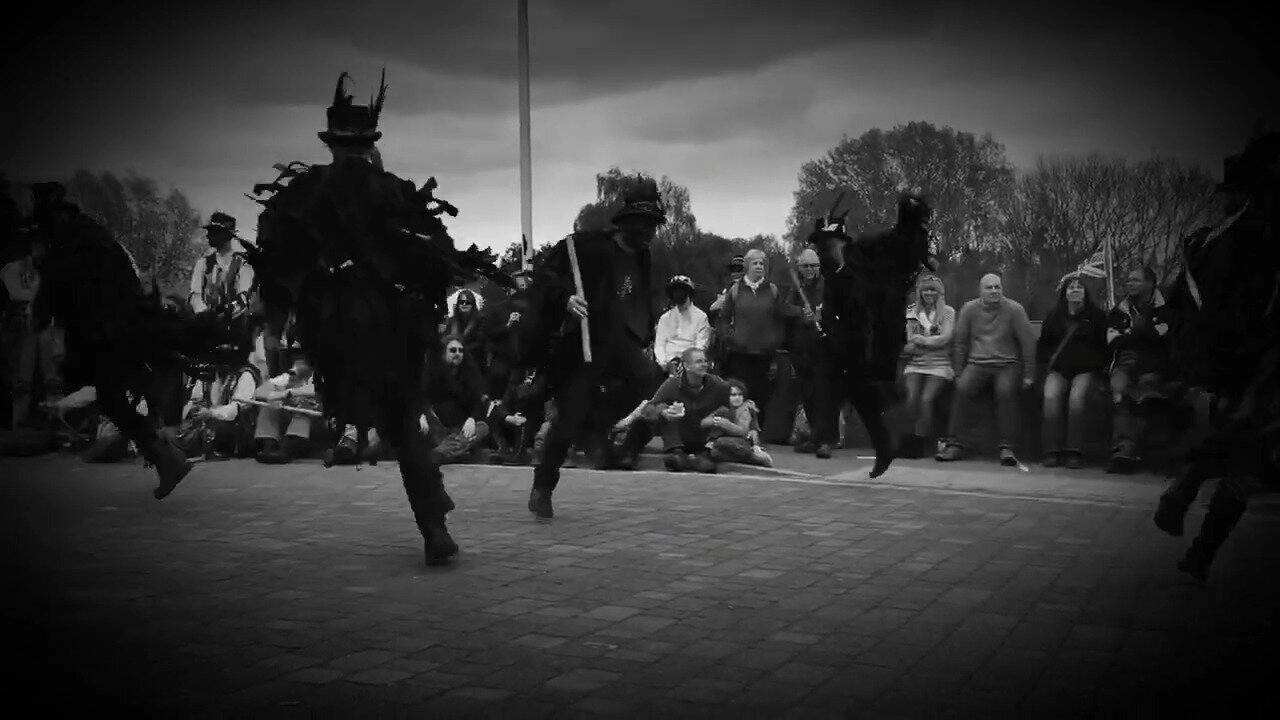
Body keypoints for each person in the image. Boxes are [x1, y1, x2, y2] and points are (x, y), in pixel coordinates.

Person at [248, 70, 511, 564]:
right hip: (392, 325)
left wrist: (274, 318)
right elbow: (437, 253)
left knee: (390, 420)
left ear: (331, 145)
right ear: (369, 143)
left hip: (341, 329)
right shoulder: (387, 187)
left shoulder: (308, 191)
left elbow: (277, 261)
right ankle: (433, 520)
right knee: (401, 419)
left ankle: (432, 511)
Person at [518, 176, 666, 519]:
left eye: (654, 224)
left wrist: (644, 329)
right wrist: (565, 299)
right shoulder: (588, 246)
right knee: (567, 417)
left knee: (648, 381)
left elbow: (637, 295)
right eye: (646, 224)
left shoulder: (643, 255)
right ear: (629, 222)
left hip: (623, 341)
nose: (651, 232)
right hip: (585, 342)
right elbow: (545, 277)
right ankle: (543, 484)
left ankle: (594, 427)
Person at [809, 195, 935, 476]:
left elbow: (894, 243)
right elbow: (835, 309)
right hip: (851, 342)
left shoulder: (863, 258)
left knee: (857, 389)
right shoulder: (834, 273)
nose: (818, 252)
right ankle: (882, 446)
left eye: (820, 245)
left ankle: (836, 435)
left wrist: (908, 215)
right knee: (857, 392)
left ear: (830, 243)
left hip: (873, 340)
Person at [936, 273, 1036, 466]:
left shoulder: (1015, 309)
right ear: (980, 290)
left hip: (1007, 364)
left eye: (997, 287)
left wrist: (1030, 374)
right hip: (977, 363)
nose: (994, 291)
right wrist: (958, 371)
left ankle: (1007, 447)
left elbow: (1028, 343)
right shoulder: (969, 309)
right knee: (962, 389)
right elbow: (960, 342)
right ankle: (955, 444)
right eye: (989, 288)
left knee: (1005, 392)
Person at [714, 249, 797, 425]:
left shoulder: (772, 290)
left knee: (762, 393)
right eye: (755, 263)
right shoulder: (735, 290)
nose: (759, 266)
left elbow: (780, 318)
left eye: (762, 263)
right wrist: (731, 337)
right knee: (740, 392)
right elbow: (722, 320)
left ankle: (756, 431)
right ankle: (738, 429)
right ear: (747, 267)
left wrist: (775, 340)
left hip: (764, 353)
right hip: (739, 352)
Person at [1105, 265, 1173, 474]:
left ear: (1150, 283)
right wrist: (1143, 332)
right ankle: (1124, 452)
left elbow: (1163, 339)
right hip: (1124, 365)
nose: (1129, 284)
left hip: (1154, 366)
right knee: (1120, 393)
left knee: (1147, 394)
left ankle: (1153, 454)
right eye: (1128, 280)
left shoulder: (1165, 310)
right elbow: (1113, 341)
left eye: (1135, 280)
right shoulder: (1119, 311)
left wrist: (1132, 334)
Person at [1036, 273, 1108, 468]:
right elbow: (1043, 346)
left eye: (1079, 287)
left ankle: (1074, 451)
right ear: (1065, 293)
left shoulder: (1097, 317)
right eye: (1071, 287)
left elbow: (1104, 347)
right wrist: (1046, 365)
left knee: (1077, 399)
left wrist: (1096, 366)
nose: (1075, 290)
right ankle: (1051, 450)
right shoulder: (1054, 317)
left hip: (1086, 371)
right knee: (1050, 396)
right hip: (1058, 370)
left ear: (1085, 293)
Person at [2, 230, 62, 428]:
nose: (40, 251)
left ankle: (54, 419)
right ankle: (19, 421)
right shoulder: (14, 269)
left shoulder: (45, 269)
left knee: (50, 376)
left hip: (43, 323)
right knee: (22, 376)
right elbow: (15, 291)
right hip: (25, 324)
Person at [898, 273, 955, 459]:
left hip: (940, 366)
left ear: (940, 293)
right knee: (911, 397)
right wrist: (932, 341)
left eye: (933, 290)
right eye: (925, 290)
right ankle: (909, 442)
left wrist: (924, 340)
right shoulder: (912, 312)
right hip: (916, 365)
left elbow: (946, 338)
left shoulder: (948, 312)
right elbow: (911, 340)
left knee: (926, 399)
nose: (929, 293)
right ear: (919, 293)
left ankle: (924, 442)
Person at [647, 348, 730, 473]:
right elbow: (650, 407)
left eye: (705, 361)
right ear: (686, 366)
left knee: (723, 413)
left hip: (705, 437)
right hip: (680, 436)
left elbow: (734, 405)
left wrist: (713, 416)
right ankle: (676, 453)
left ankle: (706, 454)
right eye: (698, 361)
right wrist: (665, 411)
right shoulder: (672, 383)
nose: (703, 364)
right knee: (664, 411)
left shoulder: (717, 384)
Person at [419, 336, 490, 464]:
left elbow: (478, 403)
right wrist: (421, 414)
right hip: (437, 428)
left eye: (460, 350)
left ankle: (440, 453)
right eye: (453, 350)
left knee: (483, 427)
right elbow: (421, 397)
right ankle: (452, 451)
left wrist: (472, 419)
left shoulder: (470, 375)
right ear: (443, 353)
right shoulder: (431, 373)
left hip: (460, 430)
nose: (457, 353)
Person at [785, 248, 827, 455]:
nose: (810, 269)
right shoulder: (796, 288)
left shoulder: (827, 286)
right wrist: (801, 312)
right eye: (805, 266)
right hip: (801, 349)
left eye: (813, 265)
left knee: (824, 395)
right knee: (808, 395)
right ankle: (814, 437)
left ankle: (826, 440)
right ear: (799, 268)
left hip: (824, 348)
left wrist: (820, 313)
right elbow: (784, 308)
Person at [253, 349, 319, 464]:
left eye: (301, 361)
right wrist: (273, 396)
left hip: (317, 421)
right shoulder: (289, 377)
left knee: (305, 406)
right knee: (268, 406)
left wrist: (287, 393)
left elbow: (316, 391)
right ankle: (269, 445)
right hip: (290, 418)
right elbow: (259, 391)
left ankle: (286, 449)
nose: (296, 366)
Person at [188, 212, 254, 317]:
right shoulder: (203, 264)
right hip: (204, 324)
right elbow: (195, 295)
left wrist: (226, 314)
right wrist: (204, 313)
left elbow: (243, 298)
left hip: (233, 326)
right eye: (210, 231)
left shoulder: (243, 266)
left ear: (227, 235)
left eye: (214, 232)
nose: (208, 235)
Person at [705, 378, 773, 467]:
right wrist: (714, 421)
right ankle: (747, 459)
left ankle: (756, 457)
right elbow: (704, 422)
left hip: (742, 442)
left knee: (720, 443)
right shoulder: (723, 409)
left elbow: (744, 432)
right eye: (733, 395)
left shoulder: (745, 409)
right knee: (715, 452)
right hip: (727, 443)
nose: (737, 398)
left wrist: (726, 425)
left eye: (740, 395)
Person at [653, 274, 711, 374]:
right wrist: (665, 364)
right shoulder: (665, 318)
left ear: (689, 293)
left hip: (691, 367)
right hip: (667, 367)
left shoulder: (701, 317)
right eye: (674, 291)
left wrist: (686, 364)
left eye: (681, 290)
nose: (677, 293)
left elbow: (701, 346)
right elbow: (659, 345)